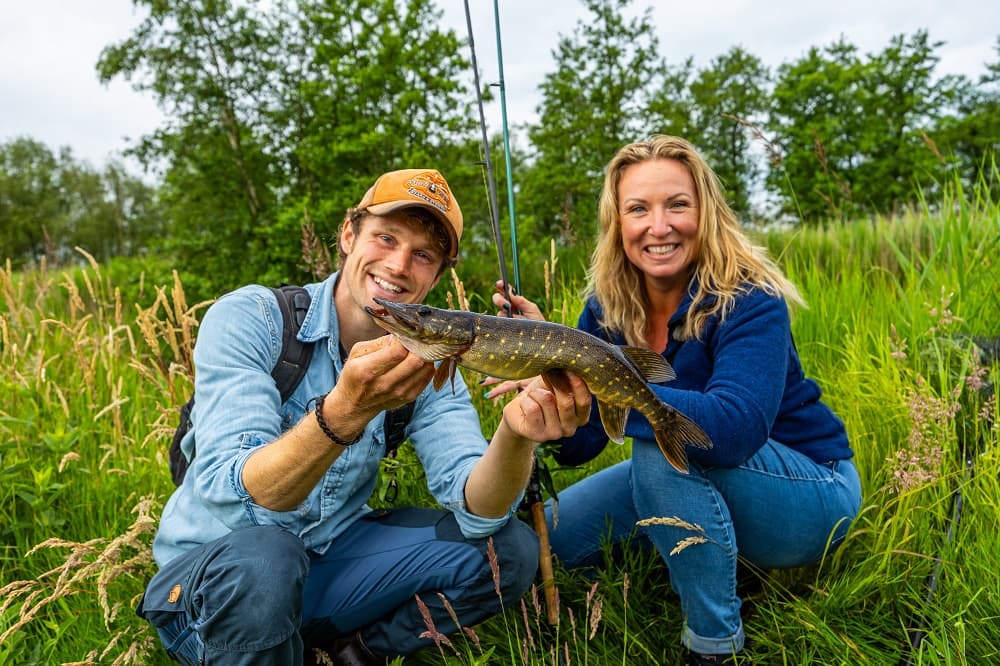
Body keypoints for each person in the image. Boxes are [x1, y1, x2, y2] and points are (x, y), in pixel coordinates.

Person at [136, 168, 592, 666]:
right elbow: (241, 498)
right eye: (386, 238)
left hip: (326, 562)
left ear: (436, 277)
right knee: (269, 557)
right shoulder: (253, 319)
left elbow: (477, 510)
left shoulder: (432, 357)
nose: (399, 266)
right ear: (349, 235)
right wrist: (346, 412)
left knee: (509, 551)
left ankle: (353, 654)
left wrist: (516, 433)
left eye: (423, 255)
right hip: (215, 582)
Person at [487, 136, 862, 664]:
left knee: (664, 448)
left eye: (677, 205)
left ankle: (714, 646)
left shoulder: (751, 299)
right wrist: (553, 381)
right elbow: (584, 444)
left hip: (810, 491)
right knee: (554, 542)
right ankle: (712, 561)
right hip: (702, 474)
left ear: (705, 212)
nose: (658, 227)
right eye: (638, 209)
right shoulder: (605, 309)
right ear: (618, 223)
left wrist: (603, 386)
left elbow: (731, 430)